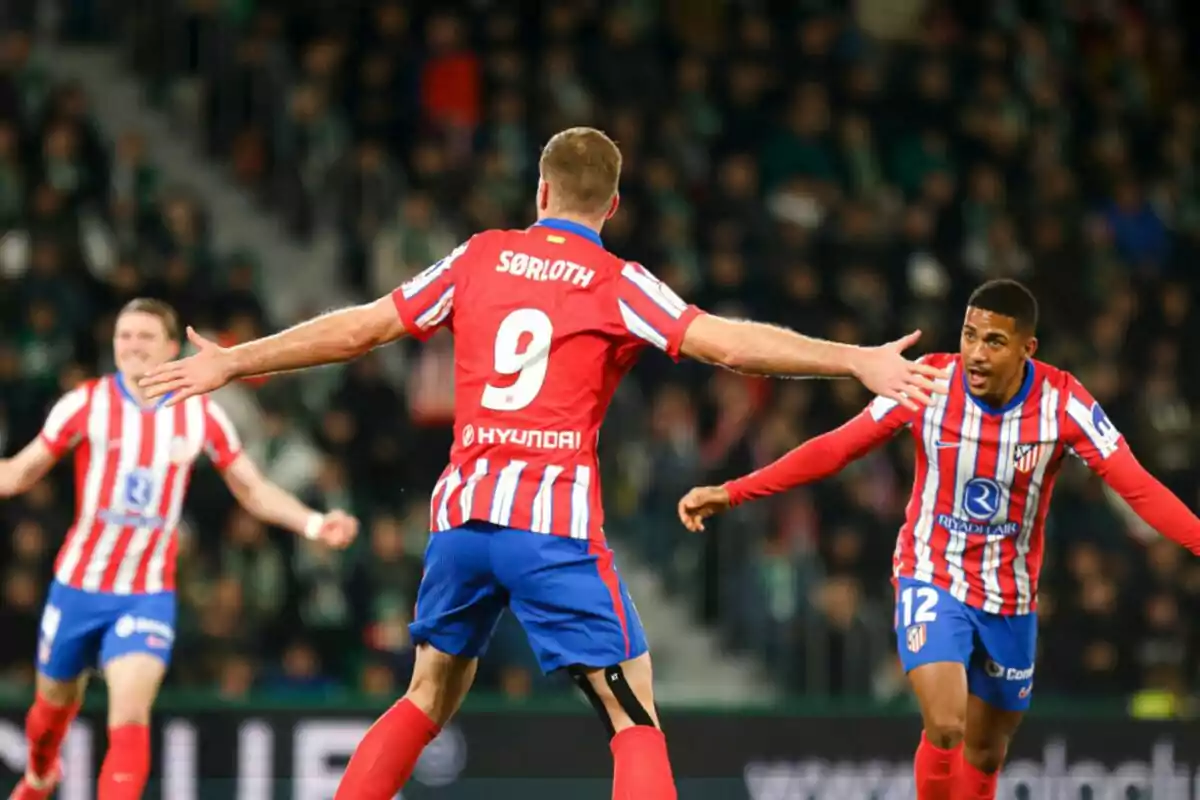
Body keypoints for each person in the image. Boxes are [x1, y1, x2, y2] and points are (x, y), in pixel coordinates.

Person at [137, 126, 947, 800]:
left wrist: (236, 362)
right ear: (614, 205)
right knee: (633, 716)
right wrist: (854, 359)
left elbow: (362, 329)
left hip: (460, 520)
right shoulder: (616, 281)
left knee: (426, 695)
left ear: (541, 192)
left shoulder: (478, 256)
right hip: (549, 526)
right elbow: (731, 344)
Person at [677, 278, 1200, 800]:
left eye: (993, 342)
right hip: (932, 572)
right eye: (969, 335)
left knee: (987, 752)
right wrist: (736, 490)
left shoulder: (1064, 405)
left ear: (1027, 348)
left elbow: (1140, 490)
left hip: (1009, 596)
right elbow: (837, 447)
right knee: (947, 723)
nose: (974, 352)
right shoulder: (928, 381)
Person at [1, 299, 358, 800]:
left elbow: (252, 489)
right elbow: (18, 473)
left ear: (171, 347)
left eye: (145, 337)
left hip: (146, 594)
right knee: (47, 716)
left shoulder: (201, 416)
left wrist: (315, 523)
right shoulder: (85, 403)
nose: (133, 346)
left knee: (129, 716)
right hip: (77, 587)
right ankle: (40, 774)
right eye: (125, 336)